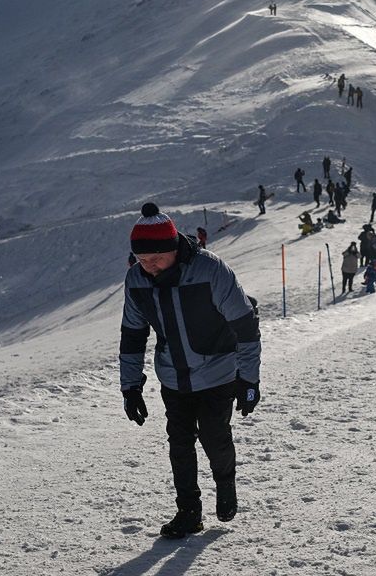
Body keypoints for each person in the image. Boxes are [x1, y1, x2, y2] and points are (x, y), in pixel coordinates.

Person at [118, 203, 261, 538]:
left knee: (215, 436)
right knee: (179, 444)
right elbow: (132, 335)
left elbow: (245, 327)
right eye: (142, 260)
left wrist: (249, 378)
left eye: (156, 259)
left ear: (173, 249)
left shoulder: (210, 270)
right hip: (174, 376)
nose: (149, 267)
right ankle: (188, 512)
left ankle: (225, 484)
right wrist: (130, 387)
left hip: (219, 372)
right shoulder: (136, 280)